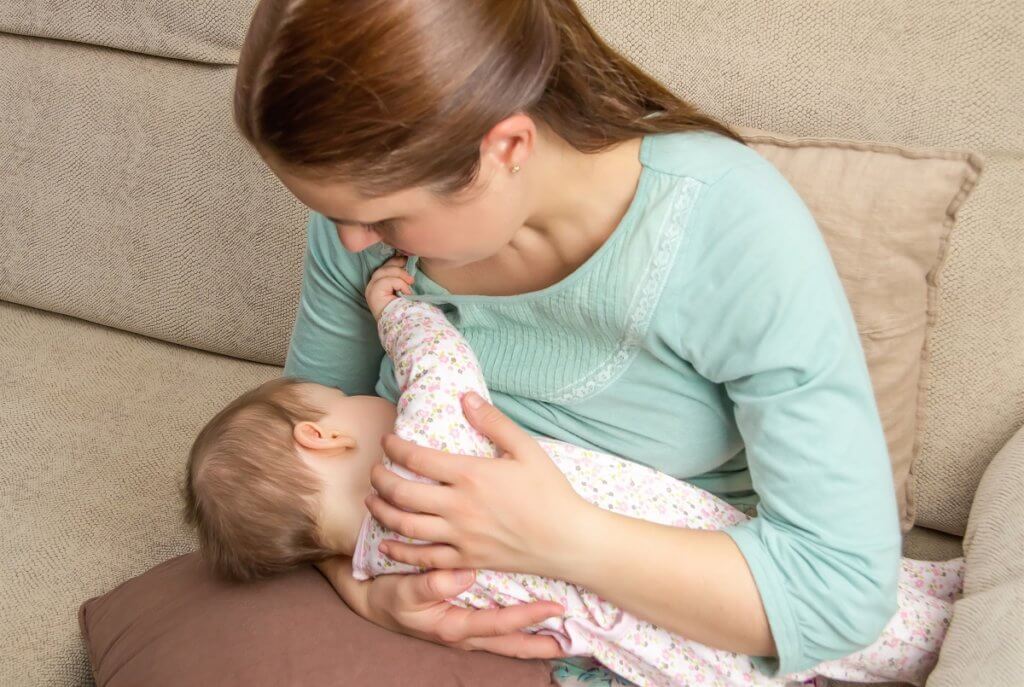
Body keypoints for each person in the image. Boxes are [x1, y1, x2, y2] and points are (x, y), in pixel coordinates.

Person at [232, 0, 909, 680]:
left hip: (666, 629)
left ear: (506, 148)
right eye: (332, 214)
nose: (350, 240)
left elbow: (840, 592)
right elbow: (296, 447)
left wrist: (562, 538)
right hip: (428, 606)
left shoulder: (725, 225)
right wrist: (366, 588)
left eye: (380, 216)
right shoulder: (360, 226)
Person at [183, 257, 963, 687]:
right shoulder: (424, 450)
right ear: (321, 437)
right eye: (346, 397)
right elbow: (440, 363)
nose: (365, 396)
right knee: (873, 619)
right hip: (676, 554)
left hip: (656, 656)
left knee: (812, 651)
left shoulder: (382, 562)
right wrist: (396, 311)